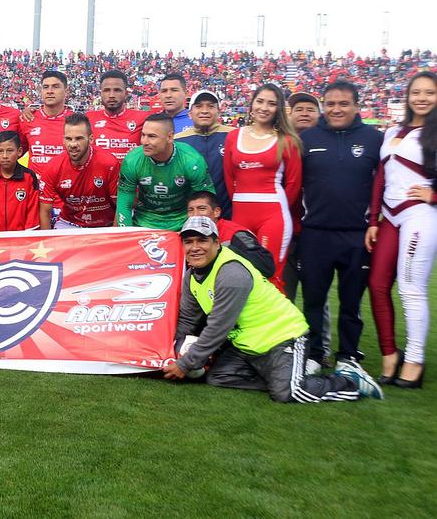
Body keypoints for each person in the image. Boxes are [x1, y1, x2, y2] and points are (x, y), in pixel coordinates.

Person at [163, 216, 383, 403]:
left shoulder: (231, 273)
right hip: (248, 346)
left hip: (284, 337)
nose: (195, 247)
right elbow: (187, 321)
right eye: (188, 242)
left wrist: (185, 364)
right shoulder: (191, 276)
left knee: (289, 393)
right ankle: (283, 377)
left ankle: (350, 382)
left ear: (217, 243)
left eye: (202, 240)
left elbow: (218, 327)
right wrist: (166, 355)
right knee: (219, 377)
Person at [297, 81, 382, 373]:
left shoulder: (374, 139)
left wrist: (376, 221)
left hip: (357, 235)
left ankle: (348, 355)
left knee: (351, 302)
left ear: (356, 106)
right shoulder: (307, 138)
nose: (336, 109)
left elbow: (384, 184)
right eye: (330, 104)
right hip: (315, 233)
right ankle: (314, 354)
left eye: (344, 104)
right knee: (313, 299)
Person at [367, 71, 437, 388]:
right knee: (377, 284)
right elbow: (381, 177)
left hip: (419, 215)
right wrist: (373, 221)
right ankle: (389, 354)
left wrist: (433, 195)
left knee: (410, 288)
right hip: (389, 218)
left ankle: (415, 360)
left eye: (429, 92)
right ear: (407, 96)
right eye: (416, 92)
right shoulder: (393, 130)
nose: (422, 98)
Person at [223, 83, 302, 292]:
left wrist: (275, 209)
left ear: (278, 109)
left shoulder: (287, 140)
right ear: (252, 104)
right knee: (241, 275)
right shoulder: (233, 136)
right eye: (260, 101)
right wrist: (240, 202)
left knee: (271, 275)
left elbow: (293, 184)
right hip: (240, 214)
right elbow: (229, 177)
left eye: (271, 103)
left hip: (273, 215)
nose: (264, 108)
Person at [116, 114, 213, 231]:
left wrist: (199, 231)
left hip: (183, 223)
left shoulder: (192, 161)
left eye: (152, 136)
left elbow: (207, 202)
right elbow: (124, 204)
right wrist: (127, 234)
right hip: (144, 222)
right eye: (143, 135)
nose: (144, 141)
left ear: (170, 137)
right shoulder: (132, 160)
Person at [38, 113, 120, 229]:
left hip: (105, 225)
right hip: (69, 223)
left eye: (79, 138)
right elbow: (45, 212)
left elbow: (121, 206)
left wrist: (114, 235)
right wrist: (47, 240)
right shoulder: (53, 167)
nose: (73, 144)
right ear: (63, 140)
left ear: (91, 139)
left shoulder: (109, 163)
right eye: (68, 139)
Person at [282, 91, 322, 304]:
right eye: (298, 109)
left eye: (310, 110)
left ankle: (319, 330)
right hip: (287, 231)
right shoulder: (278, 144)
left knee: (317, 297)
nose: (304, 113)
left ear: (319, 115)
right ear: (289, 115)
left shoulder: (328, 147)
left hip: (317, 232)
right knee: (284, 294)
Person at [175, 90, 233, 218]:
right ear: (190, 113)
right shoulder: (178, 141)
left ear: (219, 112)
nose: (205, 111)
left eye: (211, 106)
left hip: (229, 213)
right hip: (191, 216)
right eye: (199, 106)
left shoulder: (234, 135)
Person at [0, 130, 41, 232]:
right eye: (0, 151)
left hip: (21, 237)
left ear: (19, 151)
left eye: (10, 151)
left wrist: (27, 237)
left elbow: (32, 213)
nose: (5, 156)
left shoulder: (29, 177)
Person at [85, 69, 148, 162]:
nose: (111, 95)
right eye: (107, 90)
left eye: (117, 90)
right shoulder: (88, 118)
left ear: (126, 94)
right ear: (101, 93)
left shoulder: (143, 118)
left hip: (130, 171)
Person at [19, 70, 74, 170]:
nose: (50, 91)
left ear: (66, 91)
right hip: (35, 180)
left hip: (67, 179)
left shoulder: (76, 121)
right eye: (45, 87)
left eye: (55, 87)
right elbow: (16, 153)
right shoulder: (28, 118)